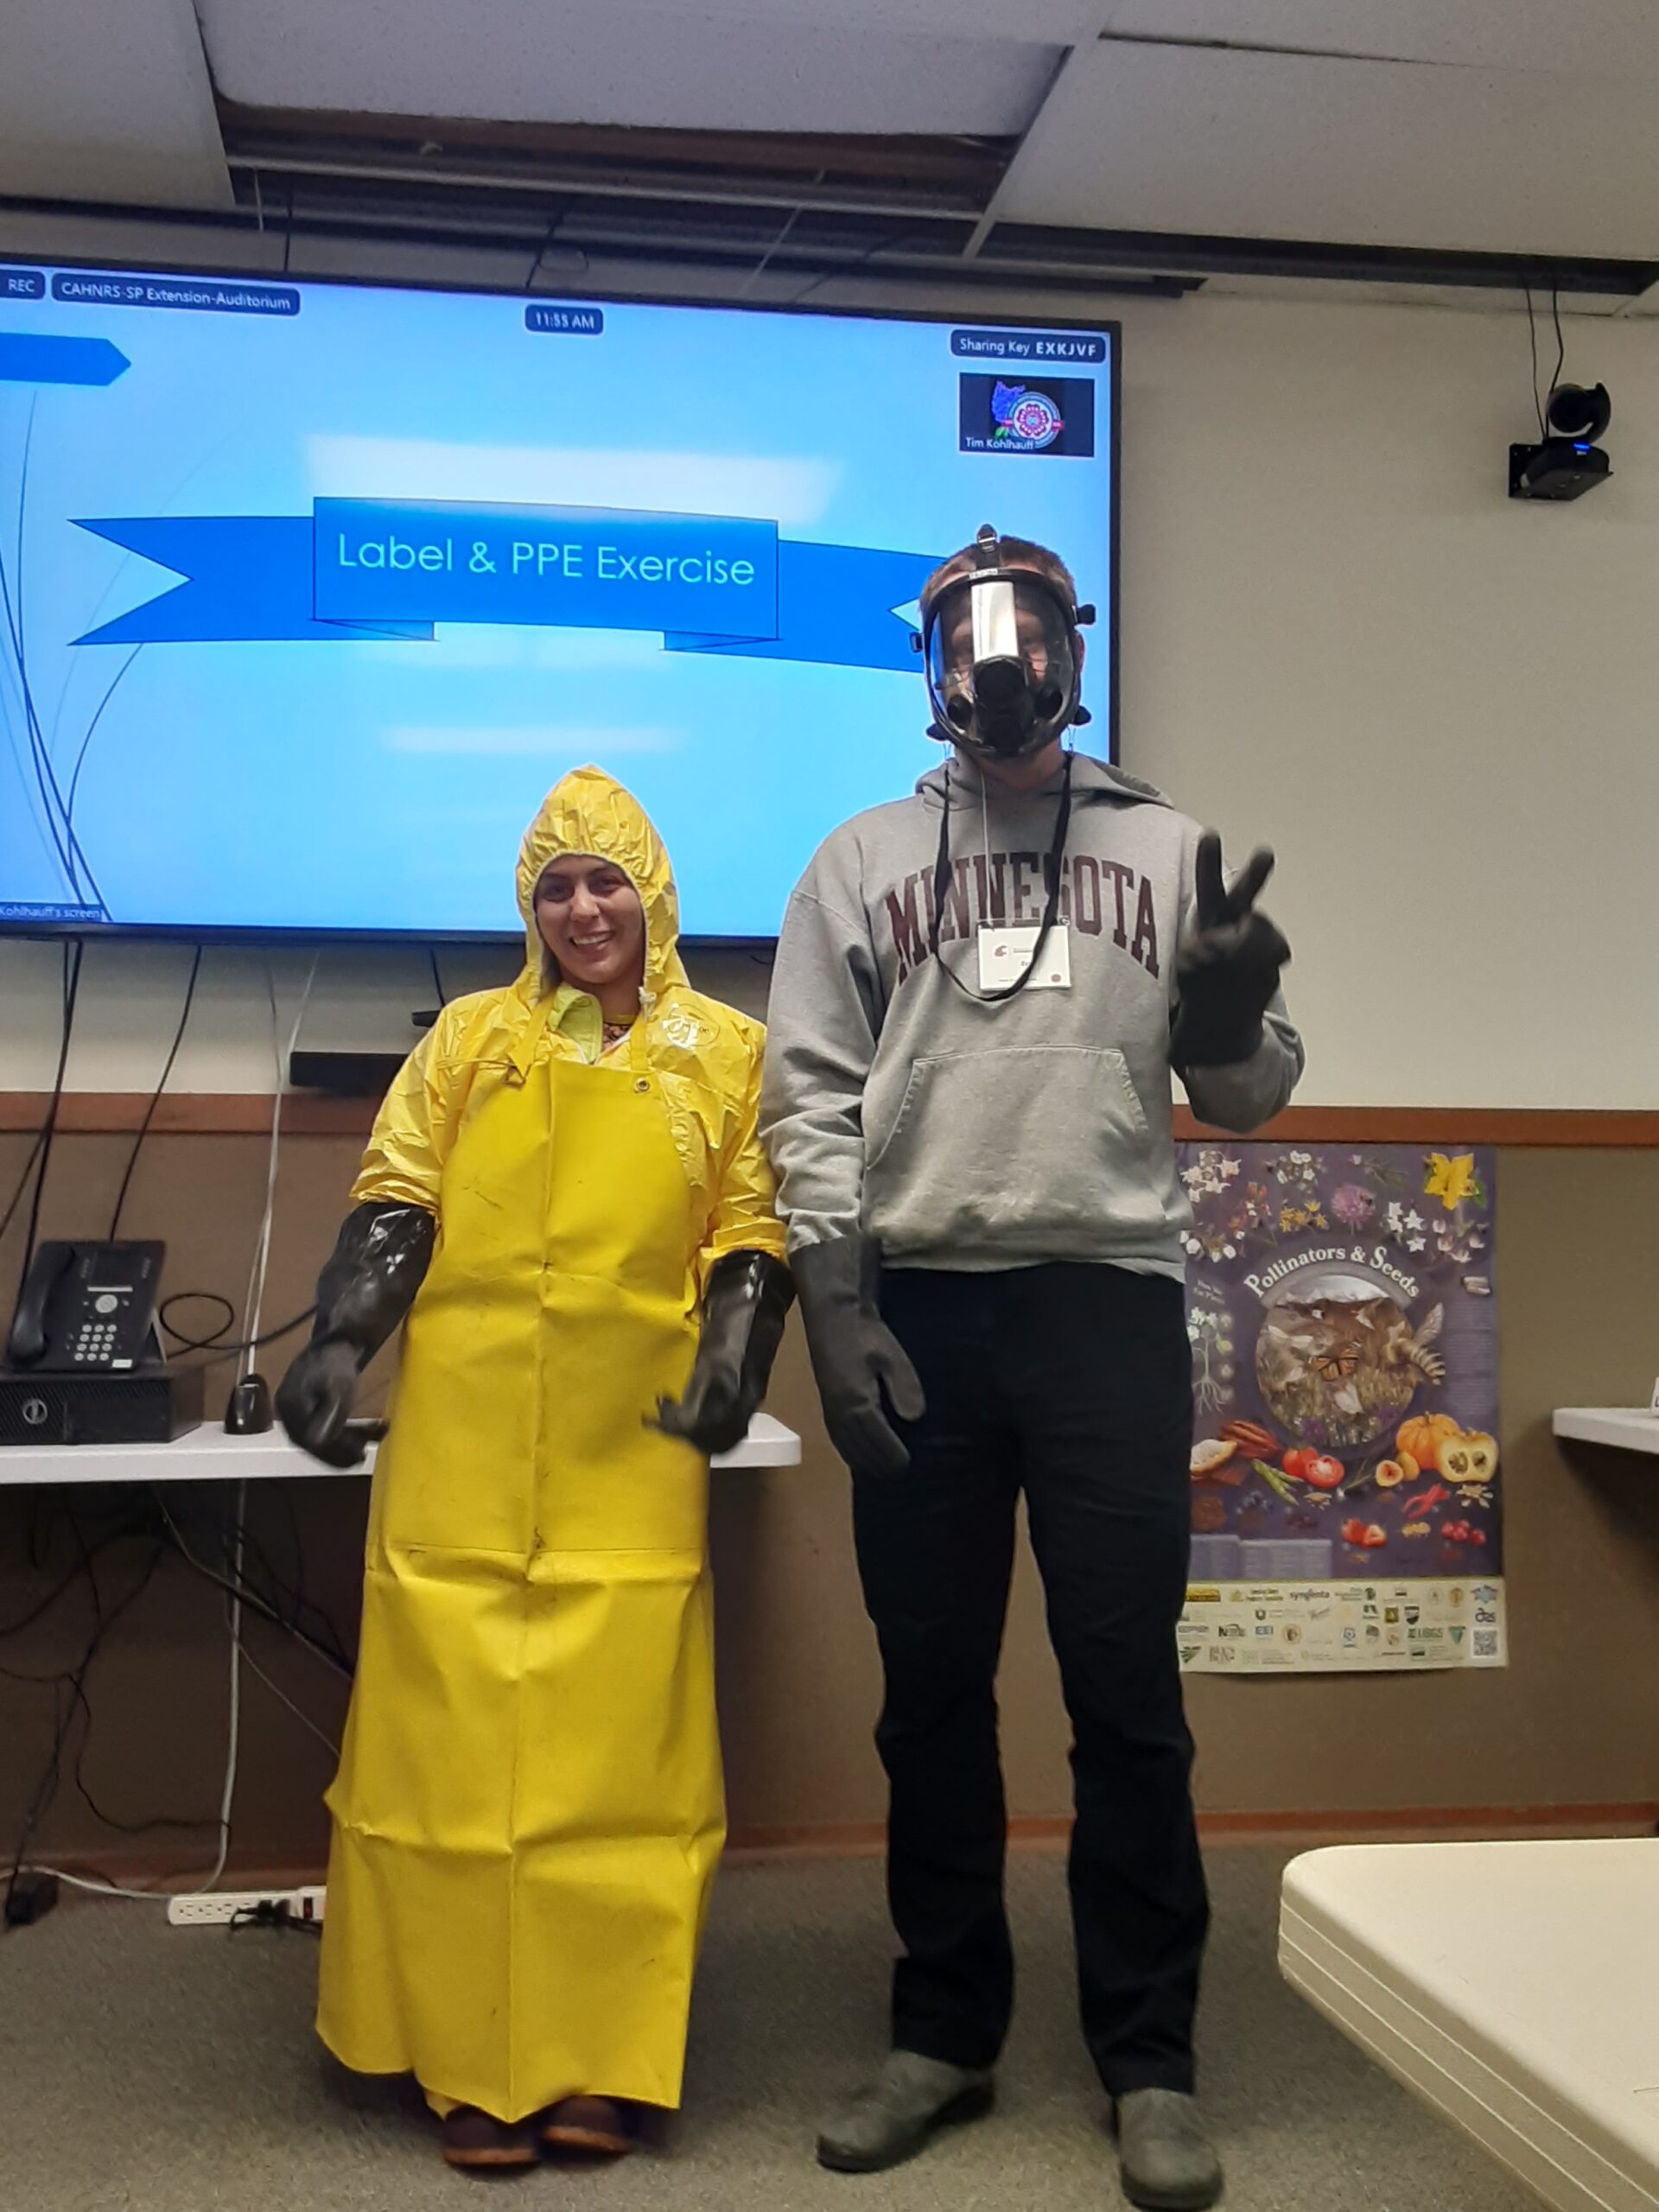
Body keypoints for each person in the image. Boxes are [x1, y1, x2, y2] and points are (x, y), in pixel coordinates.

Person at [760, 527, 1303, 2211]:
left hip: (1105, 1302)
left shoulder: (1170, 844)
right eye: (969, 637)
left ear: (1077, 647)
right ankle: (945, 2030)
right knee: (929, 1691)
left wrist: (1231, 1015)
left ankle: (1152, 2056)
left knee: (1125, 1692)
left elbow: (1250, 1096)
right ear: (929, 662)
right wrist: (834, 1303)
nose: (1002, 664)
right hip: (919, 1302)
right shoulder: (860, 856)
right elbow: (807, 1093)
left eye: (1033, 633)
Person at [276, 765, 792, 2172]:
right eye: (555, 886)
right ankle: (466, 2057)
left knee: (618, 1760)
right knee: (445, 1758)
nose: (582, 908)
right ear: (530, 908)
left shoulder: (729, 1054)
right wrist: (339, 1342)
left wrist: (736, 1360)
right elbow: (398, 1199)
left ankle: (597, 2060)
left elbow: (750, 1229)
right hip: (462, 1444)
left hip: (633, 1448)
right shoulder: (468, 1041)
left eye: (605, 879)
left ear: (654, 895)